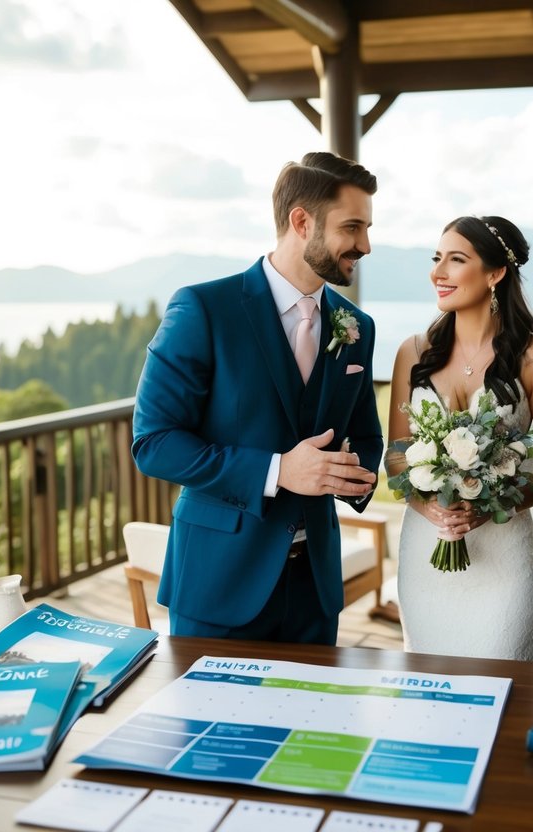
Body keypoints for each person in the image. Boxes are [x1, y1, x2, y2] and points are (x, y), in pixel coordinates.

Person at [131, 151, 383, 644]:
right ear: (301, 221)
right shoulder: (204, 308)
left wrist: (354, 475)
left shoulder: (358, 328)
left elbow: (367, 435)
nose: (365, 245)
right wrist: (279, 470)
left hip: (316, 590)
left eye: (367, 228)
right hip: (219, 584)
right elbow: (154, 442)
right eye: (352, 227)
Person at [387, 216, 533, 661]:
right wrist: (426, 504)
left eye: (456, 259)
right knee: (425, 688)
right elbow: (395, 456)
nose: (438, 272)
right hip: (425, 550)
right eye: (437, 258)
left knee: (502, 685)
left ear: (495, 273)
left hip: (504, 557)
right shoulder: (413, 352)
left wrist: (492, 507)